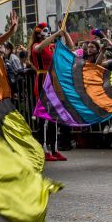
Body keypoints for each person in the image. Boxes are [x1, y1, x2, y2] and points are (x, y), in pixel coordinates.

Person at [30, 22, 74, 161]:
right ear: (38, 33)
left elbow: (71, 47)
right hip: (43, 80)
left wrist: (65, 32)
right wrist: (55, 35)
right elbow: (39, 48)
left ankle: (54, 150)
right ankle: (43, 149)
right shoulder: (35, 46)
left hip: (53, 81)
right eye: (44, 30)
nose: (47, 32)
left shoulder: (52, 46)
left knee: (54, 117)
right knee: (44, 118)